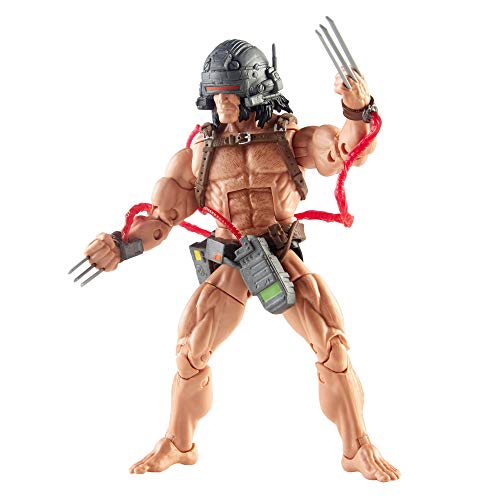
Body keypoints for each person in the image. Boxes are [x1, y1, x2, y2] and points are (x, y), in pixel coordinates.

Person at [80, 39, 400, 481]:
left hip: (279, 254)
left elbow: (347, 151)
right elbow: (160, 220)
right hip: (231, 259)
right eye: (216, 95)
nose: (223, 103)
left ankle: (357, 447)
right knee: (190, 351)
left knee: (332, 345)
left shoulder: (291, 138)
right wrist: (120, 246)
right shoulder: (199, 153)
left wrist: (357, 109)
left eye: (232, 93)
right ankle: (179, 444)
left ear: (256, 92)